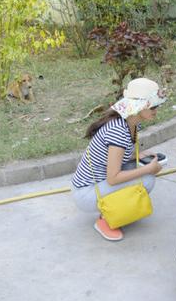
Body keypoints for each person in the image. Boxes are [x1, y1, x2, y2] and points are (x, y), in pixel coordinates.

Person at [71, 78, 166, 241]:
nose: (157, 109)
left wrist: (138, 155)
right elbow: (113, 178)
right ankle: (106, 220)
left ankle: (115, 210)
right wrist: (148, 169)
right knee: (147, 179)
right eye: (154, 105)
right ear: (140, 106)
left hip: (95, 184)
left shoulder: (131, 122)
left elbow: (114, 154)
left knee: (139, 169)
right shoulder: (119, 132)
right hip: (86, 193)